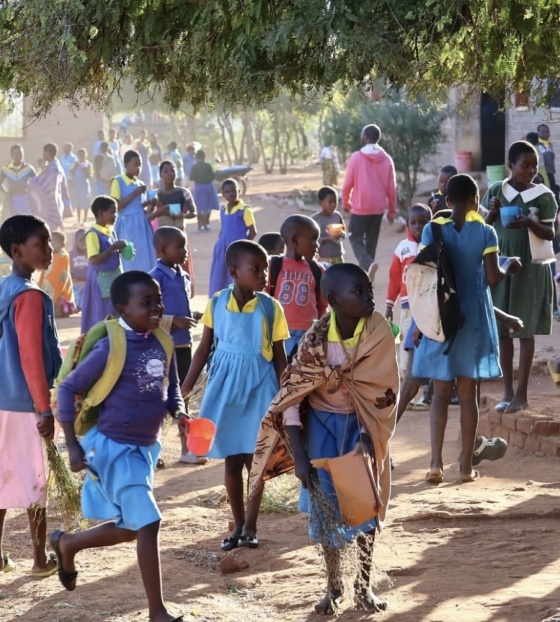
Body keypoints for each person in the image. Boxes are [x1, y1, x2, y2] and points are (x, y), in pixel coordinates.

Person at [249, 262, 399, 615]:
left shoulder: (377, 332)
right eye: (358, 292)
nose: (368, 296)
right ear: (333, 300)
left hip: (360, 428)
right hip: (320, 429)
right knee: (327, 509)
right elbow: (292, 398)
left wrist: (367, 437)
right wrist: (300, 457)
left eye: (368, 289)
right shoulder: (313, 343)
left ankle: (364, 585)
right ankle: (333, 587)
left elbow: (382, 391)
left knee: (365, 506)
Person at [51, 271, 186, 622]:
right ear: (123, 308)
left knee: (131, 527)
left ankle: (68, 543)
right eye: (146, 303)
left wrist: (180, 411)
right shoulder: (111, 346)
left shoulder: (162, 340)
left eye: (158, 301)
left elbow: (170, 387)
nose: (156, 308)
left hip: (144, 448)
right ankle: (157, 612)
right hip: (114, 448)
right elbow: (67, 389)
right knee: (149, 522)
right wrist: (71, 444)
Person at [414, 174, 521, 484]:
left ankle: (435, 464)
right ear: (477, 200)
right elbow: (492, 277)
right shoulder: (486, 233)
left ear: (448, 201)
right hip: (473, 317)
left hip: (441, 317)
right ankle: (464, 469)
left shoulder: (432, 230)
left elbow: (423, 273)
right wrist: (508, 265)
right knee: (468, 393)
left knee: (439, 395)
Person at [182, 240, 289, 551]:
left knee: (256, 460)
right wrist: (185, 388)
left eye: (265, 268)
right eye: (256, 269)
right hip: (226, 388)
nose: (263, 274)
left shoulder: (271, 307)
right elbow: (203, 348)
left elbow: (280, 357)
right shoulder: (216, 303)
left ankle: (252, 526)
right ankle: (238, 522)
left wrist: (286, 396)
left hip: (259, 387)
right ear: (233, 272)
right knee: (232, 460)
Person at [0, 214, 62, 578]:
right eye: (42, 243)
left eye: (50, 242)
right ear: (17, 250)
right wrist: (44, 409)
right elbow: (31, 358)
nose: (49, 249)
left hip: (1, 399)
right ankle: (39, 559)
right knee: (36, 481)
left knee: (3, 477)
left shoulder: (4, 289)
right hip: (24, 403)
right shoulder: (30, 295)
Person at [482, 140, 557, 413]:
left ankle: (522, 394)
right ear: (510, 166)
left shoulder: (543, 195)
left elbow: (550, 234)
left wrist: (528, 222)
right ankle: (507, 391)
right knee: (503, 330)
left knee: (525, 331)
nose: (530, 171)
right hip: (500, 266)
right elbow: (481, 229)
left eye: (534, 166)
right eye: (524, 165)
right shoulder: (495, 191)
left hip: (531, 269)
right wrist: (491, 211)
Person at [150, 227, 203, 465]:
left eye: (185, 246)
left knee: (184, 397)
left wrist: (192, 315)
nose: (185, 251)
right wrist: (174, 321)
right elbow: (149, 315)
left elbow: (181, 307)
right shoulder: (155, 278)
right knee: (159, 399)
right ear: (162, 250)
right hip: (162, 347)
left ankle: (186, 449)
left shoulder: (183, 274)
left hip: (183, 346)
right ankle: (154, 451)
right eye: (179, 247)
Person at [266, 214, 328, 359]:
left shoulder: (317, 270)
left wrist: (320, 331)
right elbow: (263, 300)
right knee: (280, 373)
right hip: (279, 333)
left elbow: (322, 306)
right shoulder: (273, 266)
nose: (317, 245)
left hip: (308, 335)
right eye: (313, 240)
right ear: (294, 241)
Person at [342, 124, 397, 280]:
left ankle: (367, 264)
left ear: (366, 137)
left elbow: (347, 185)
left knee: (354, 237)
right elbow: (392, 189)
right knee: (371, 240)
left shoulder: (356, 157)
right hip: (378, 208)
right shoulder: (387, 159)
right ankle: (367, 273)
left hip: (360, 207)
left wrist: (346, 203)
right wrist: (391, 212)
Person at [385, 203, 431, 379]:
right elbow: (394, 278)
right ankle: (407, 380)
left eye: (423, 222)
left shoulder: (433, 246)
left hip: (428, 307)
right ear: (408, 224)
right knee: (407, 343)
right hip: (407, 307)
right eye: (414, 222)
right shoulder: (403, 248)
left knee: (425, 342)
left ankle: (425, 383)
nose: (418, 226)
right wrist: (389, 305)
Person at [81, 196, 125, 333]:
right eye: (112, 212)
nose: (115, 215)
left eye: (116, 212)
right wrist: (112, 248)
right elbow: (93, 259)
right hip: (101, 282)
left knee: (115, 310)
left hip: (114, 278)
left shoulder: (111, 232)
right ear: (100, 213)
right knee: (103, 315)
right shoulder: (93, 235)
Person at [151, 160, 197, 289]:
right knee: (165, 268)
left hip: (179, 236)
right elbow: (148, 216)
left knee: (182, 266)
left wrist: (181, 215)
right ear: (160, 174)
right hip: (163, 239)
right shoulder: (156, 194)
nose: (170, 174)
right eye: (166, 171)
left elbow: (194, 212)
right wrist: (161, 211)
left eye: (172, 171)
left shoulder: (184, 192)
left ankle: (184, 293)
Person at [208, 178, 257, 296]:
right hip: (223, 248)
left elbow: (253, 231)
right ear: (223, 194)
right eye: (227, 192)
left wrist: (244, 246)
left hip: (237, 249)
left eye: (233, 191)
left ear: (239, 191)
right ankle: (219, 300)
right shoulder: (223, 210)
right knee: (220, 275)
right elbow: (223, 228)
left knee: (236, 276)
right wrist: (220, 243)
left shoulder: (245, 210)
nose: (231, 194)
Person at [111, 149, 156, 272]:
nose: (138, 168)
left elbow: (139, 206)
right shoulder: (118, 181)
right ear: (126, 165)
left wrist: (150, 203)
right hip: (127, 223)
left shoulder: (140, 183)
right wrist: (134, 193)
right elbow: (116, 206)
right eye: (135, 165)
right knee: (130, 257)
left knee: (144, 254)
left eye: (140, 165)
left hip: (141, 224)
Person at [28, 143, 72, 231]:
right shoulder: (53, 166)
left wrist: (29, 183)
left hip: (52, 204)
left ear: (47, 153)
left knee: (50, 231)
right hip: (53, 203)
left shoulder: (53, 169)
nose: (42, 155)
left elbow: (44, 184)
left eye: (43, 152)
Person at [37, 231, 77, 318]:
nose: (53, 244)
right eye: (51, 241)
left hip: (59, 283)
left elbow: (62, 272)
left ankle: (60, 310)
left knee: (58, 298)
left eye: (56, 242)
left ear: (63, 245)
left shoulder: (63, 256)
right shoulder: (47, 254)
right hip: (48, 282)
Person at [0, 144, 36, 219]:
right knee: (10, 219)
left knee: (26, 219)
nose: (20, 155)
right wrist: (5, 191)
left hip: (25, 199)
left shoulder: (28, 168)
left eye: (21, 153)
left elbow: (36, 183)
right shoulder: (6, 169)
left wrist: (30, 191)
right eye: (17, 153)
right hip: (11, 199)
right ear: (12, 155)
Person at [312, 186, 346, 265]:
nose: (333, 205)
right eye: (330, 202)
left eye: (336, 202)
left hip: (338, 257)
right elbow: (311, 240)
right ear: (321, 203)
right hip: (323, 258)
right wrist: (327, 239)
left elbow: (343, 232)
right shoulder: (315, 219)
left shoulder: (337, 216)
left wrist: (341, 234)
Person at [189, 150, 219, 231]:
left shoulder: (194, 166)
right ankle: (207, 224)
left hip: (198, 187)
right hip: (208, 187)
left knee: (198, 208)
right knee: (208, 207)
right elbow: (212, 176)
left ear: (197, 157)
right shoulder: (208, 165)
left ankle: (199, 226)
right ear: (204, 157)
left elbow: (191, 177)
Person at [70, 149, 93, 225]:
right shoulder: (76, 164)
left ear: (86, 155)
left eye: (83, 155)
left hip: (85, 185)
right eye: (80, 155)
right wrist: (75, 167)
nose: (81, 156)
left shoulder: (88, 164)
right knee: (78, 201)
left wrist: (85, 170)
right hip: (77, 185)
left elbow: (90, 175)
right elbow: (72, 173)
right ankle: (79, 219)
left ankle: (85, 220)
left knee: (85, 201)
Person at [537, 124, 558, 200]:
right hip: (541, 174)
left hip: (550, 172)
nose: (546, 133)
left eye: (547, 131)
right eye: (543, 132)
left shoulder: (549, 145)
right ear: (538, 133)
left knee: (554, 193)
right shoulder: (537, 145)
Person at [70, 229, 88, 311]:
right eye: (81, 240)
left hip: (87, 283)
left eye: (86, 239)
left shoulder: (91, 254)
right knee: (75, 297)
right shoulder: (70, 255)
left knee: (85, 297)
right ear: (75, 242)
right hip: (74, 284)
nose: (84, 242)